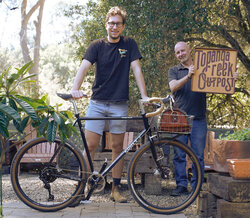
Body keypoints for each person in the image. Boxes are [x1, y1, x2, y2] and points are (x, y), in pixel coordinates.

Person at [70, 6, 148, 205]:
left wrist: (145, 96)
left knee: (117, 148)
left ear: (122, 27)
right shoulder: (96, 45)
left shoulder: (129, 44)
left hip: (118, 105)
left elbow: (137, 69)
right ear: (106, 25)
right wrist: (75, 88)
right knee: (90, 146)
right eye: (111, 23)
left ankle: (115, 189)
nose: (114, 26)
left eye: (118, 23)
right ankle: (79, 189)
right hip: (97, 103)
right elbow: (84, 67)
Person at [168, 41, 238, 196]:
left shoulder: (204, 69)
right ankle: (181, 185)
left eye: (182, 51)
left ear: (189, 50)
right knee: (179, 154)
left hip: (198, 119)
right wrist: (188, 76)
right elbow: (173, 87)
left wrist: (230, 78)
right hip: (179, 119)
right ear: (176, 55)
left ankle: (196, 186)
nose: (181, 54)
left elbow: (220, 85)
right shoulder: (174, 70)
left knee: (198, 155)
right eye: (178, 52)